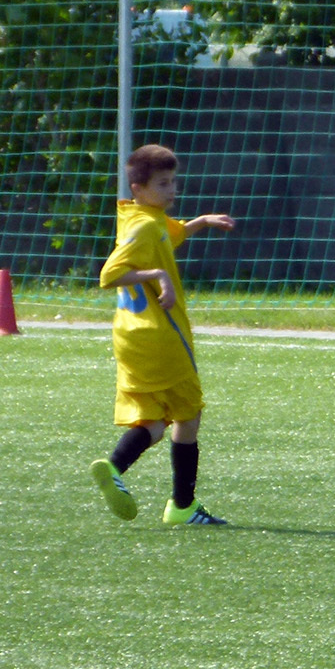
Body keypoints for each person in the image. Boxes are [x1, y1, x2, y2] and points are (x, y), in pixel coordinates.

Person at [89, 144, 236, 525]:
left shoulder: (139, 217)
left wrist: (201, 222)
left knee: (155, 418)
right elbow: (109, 274)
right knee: (189, 413)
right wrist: (159, 276)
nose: (172, 190)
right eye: (163, 184)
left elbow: (171, 235)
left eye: (173, 181)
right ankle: (182, 507)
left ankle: (114, 467)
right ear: (138, 188)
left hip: (130, 338)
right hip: (161, 337)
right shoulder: (144, 226)